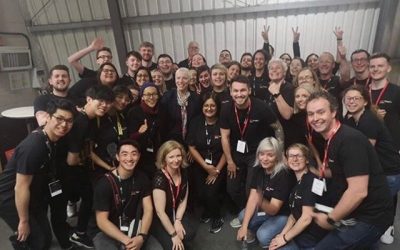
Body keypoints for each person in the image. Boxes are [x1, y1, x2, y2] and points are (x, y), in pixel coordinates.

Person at [306, 91, 393, 249]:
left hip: (371, 216)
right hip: (359, 211)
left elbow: (358, 192)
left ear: (333, 112)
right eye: (310, 114)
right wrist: (311, 169)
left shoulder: (349, 140)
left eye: (321, 112)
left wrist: (331, 219)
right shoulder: (333, 138)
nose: (315, 118)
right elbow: (340, 170)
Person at [0, 99, 75, 250]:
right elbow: (20, 188)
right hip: (9, 198)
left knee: (44, 237)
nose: (64, 124)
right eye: (59, 119)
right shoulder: (34, 146)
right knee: (36, 239)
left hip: (31, 194)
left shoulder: (52, 138)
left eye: (69, 120)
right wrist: (23, 221)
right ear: (48, 117)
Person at [220, 75, 284, 221]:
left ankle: (248, 218)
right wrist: (229, 161)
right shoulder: (226, 109)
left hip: (257, 154)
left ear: (249, 90)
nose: (239, 94)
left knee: (251, 189)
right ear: (230, 92)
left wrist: (279, 152)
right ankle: (245, 211)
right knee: (232, 189)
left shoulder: (261, 106)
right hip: (236, 153)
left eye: (243, 90)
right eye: (235, 91)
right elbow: (225, 137)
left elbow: (278, 128)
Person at [343, 85, 400, 245]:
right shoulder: (351, 119)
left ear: (365, 102)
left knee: (373, 217)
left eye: (356, 98)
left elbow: (363, 154)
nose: (352, 102)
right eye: (349, 98)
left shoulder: (368, 120)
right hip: (378, 172)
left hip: (389, 174)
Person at [33, 65, 78, 248]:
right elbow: (42, 120)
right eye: (57, 76)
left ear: (69, 80)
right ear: (50, 81)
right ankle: (39, 239)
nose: (61, 79)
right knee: (39, 208)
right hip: (43, 162)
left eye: (64, 76)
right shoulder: (42, 99)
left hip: (64, 164)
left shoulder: (74, 101)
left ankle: (64, 241)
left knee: (59, 207)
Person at [67, 85, 115, 248]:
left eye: (108, 102)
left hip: (82, 167)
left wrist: (108, 167)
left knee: (89, 198)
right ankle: (78, 234)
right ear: (89, 99)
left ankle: (80, 231)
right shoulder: (80, 122)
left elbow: (88, 151)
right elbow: (72, 160)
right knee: (87, 198)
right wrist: (83, 162)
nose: (105, 105)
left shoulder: (92, 120)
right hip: (69, 170)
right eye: (100, 101)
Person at [92, 139, 153, 250]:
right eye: (124, 154)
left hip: (135, 227)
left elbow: (148, 209)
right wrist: (128, 241)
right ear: (117, 157)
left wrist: (141, 237)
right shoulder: (104, 183)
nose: (129, 158)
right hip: (107, 232)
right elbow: (102, 221)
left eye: (134, 154)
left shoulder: (143, 178)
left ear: (139, 156)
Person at [236, 137, 296, 248]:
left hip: (282, 214)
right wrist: (244, 226)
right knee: (242, 216)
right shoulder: (258, 169)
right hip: (264, 208)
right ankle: (255, 232)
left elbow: (273, 210)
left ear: (277, 156)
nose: (264, 158)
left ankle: (280, 237)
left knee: (263, 236)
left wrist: (259, 198)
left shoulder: (283, 175)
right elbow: (252, 198)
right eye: (262, 154)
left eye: (270, 155)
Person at [269, 144, 328, 250]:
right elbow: (293, 215)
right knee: (270, 241)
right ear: (287, 160)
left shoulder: (312, 181)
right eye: (291, 156)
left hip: (313, 239)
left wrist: (284, 239)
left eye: (299, 156)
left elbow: (306, 218)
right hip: (301, 233)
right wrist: (282, 235)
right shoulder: (297, 183)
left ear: (307, 160)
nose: (295, 159)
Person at [187, 93, 226, 234]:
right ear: (202, 107)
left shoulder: (223, 122)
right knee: (200, 192)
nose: (209, 108)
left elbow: (227, 150)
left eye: (212, 105)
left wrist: (216, 171)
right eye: (206, 105)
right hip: (201, 162)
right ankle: (209, 211)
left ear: (217, 107)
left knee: (210, 193)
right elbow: (191, 146)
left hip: (219, 163)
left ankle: (217, 217)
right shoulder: (196, 122)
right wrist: (205, 166)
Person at [151, 140, 197, 250]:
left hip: (175, 213)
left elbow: (183, 200)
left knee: (189, 233)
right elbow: (160, 212)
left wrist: (178, 220)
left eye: (178, 156)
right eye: (171, 157)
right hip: (160, 219)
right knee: (174, 246)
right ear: (164, 158)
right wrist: (173, 234)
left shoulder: (184, 172)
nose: (176, 160)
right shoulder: (159, 179)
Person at [90, 85, 132, 180]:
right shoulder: (97, 118)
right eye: (120, 97)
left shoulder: (121, 117)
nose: (123, 101)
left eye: (127, 99)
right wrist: (108, 168)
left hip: (120, 167)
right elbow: (89, 151)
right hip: (102, 170)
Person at [127, 82, 161, 179]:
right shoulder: (134, 112)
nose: (151, 97)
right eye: (148, 95)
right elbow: (129, 138)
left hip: (157, 155)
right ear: (142, 97)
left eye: (154, 94)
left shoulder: (161, 111)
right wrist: (139, 133)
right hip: (140, 157)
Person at [159, 68, 201, 145]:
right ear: (175, 80)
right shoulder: (167, 97)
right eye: (178, 78)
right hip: (171, 142)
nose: (181, 81)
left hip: (191, 142)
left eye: (184, 78)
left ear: (189, 80)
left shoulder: (196, 98)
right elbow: (163, 123)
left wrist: (192, 146)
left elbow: (197, 124)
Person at [368, 53, 400, 151]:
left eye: (380, 66)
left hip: (390, 148)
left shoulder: (397, 91)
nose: (376, 69)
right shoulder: (362, 92)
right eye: (372, 66)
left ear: (389, 68)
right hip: (367, 146)